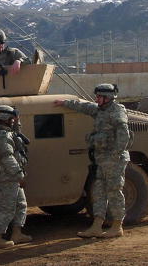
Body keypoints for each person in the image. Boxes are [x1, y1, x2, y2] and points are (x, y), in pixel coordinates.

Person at [53, 83, 130, 238]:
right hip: (102, 160)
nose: (97, 99)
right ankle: (96, 225)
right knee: (99, 192)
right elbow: (85, 107)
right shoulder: (100, 110)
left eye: (100, 97)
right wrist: (64, 103)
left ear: (108, 98)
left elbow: (124, 136)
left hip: (113, 160)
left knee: (114, 192)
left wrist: (115, 156)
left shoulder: (117, 112)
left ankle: (117, 226)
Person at [0, 105, 32, 249]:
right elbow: (8, 158)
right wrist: (20, 176)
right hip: (8, 177)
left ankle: (17, 233)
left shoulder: (6, 132)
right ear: (5, 119)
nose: (13, 121)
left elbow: (17, 133)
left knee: (21, 204)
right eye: (12, 119)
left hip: (12, 176)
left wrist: (17, 119)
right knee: (7, 208)